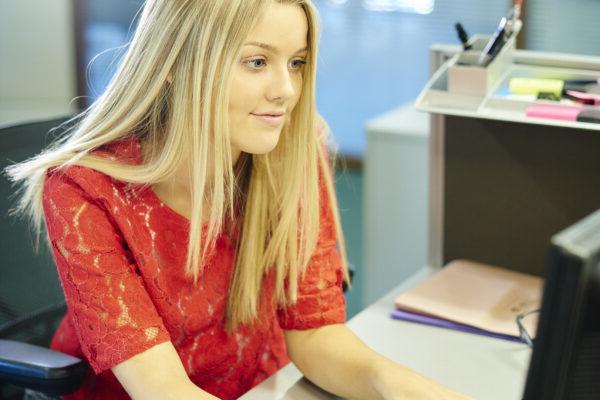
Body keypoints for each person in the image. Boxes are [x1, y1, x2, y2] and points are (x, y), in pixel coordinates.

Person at [5, 1, 471, 399]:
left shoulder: (292, 151)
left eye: (297, 62)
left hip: (259, 383)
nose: (286, 91)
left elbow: (315, 336)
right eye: (256, 62)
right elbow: (162, 390)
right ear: (172, 65)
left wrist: (396, 382)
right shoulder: (83, 189)